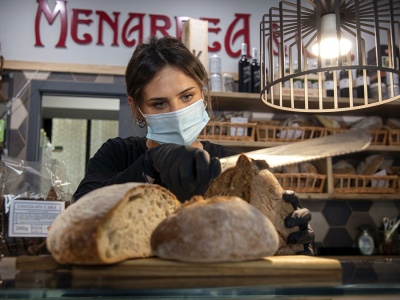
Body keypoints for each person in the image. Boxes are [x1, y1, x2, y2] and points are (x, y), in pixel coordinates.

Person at [73, 35, 314, 254]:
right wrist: (148, 165)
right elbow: (79, 219)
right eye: (159, 104)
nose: (177, 112)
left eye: (187, 96)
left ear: (203, 95)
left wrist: (292, 239)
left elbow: (257, 245)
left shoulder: (233, 167)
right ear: (137, 107)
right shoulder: (118, 153)